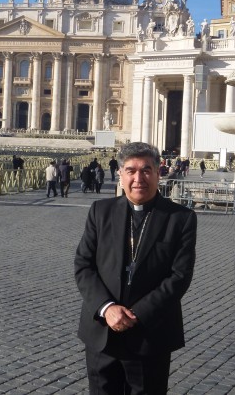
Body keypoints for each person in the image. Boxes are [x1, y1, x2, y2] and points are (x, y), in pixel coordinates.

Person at [74, 141, 197, 394]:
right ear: (121, 174)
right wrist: (107, 308)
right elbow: (84, 265)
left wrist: (135, 314)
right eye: (131, 170)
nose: (138, 178)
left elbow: (179, 276)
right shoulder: (101, 211)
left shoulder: (180, 218)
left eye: (146, 170)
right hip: (102, 333)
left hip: (150, 334)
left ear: (158, 172)